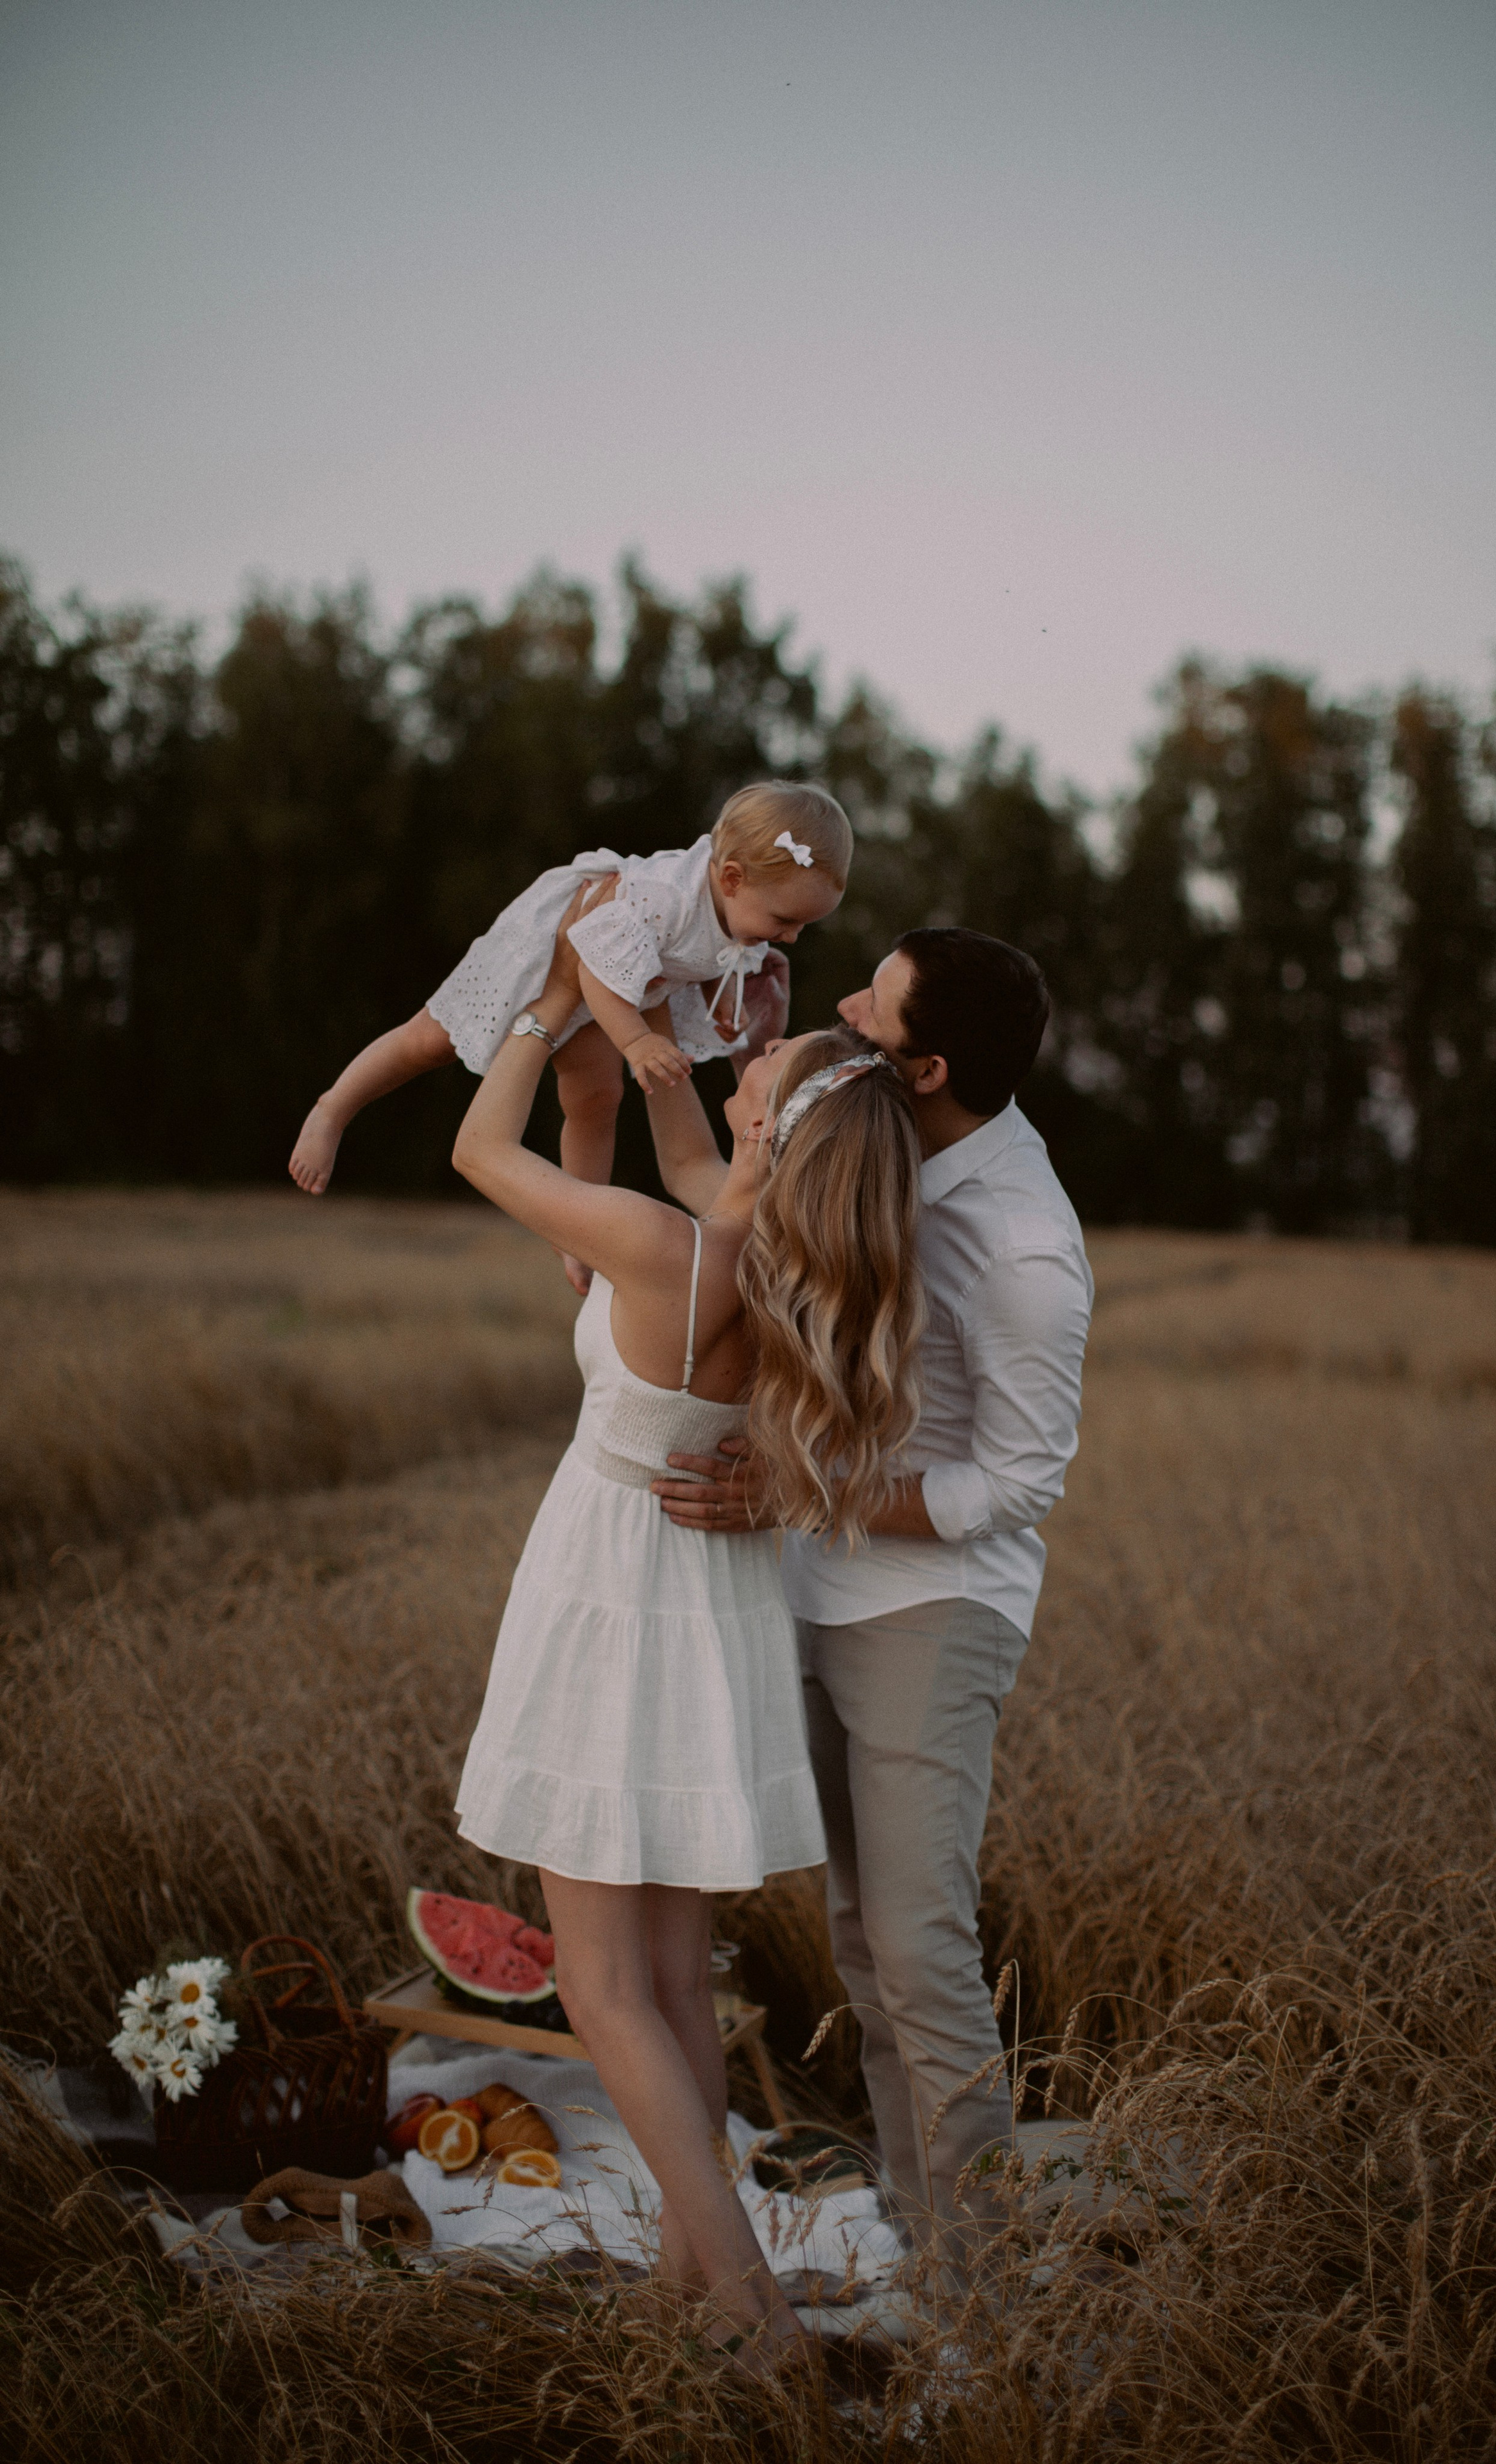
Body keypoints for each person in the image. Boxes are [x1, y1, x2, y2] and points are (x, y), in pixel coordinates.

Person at [450, 896, 923, 2372]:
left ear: (777, 1140)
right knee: (666, 1974)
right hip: (704, 1605)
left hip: (610, 1592)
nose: (753, 1061)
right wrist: (664, 1077)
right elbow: (700, 1165)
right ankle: (683, 2274)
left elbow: (478, 1151)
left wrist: (536, 1011)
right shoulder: (771, 1260)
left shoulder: (668, 1250)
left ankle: (750, 2307)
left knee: (598, 1982)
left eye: (768, 1081)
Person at [652, 926, 1095, 2276]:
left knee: (918, 1947)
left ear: (928, 1069)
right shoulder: (867, 1133)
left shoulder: (1021, 1247)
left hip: (933, 1604)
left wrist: (799, 1495)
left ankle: (983, 2320)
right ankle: (927, 2248)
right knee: (860, 1944)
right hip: (814, 1576)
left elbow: (1019, 1479)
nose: (840, 1006)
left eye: (871, 1004)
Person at [287, 780, 849, 1199]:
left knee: (596, 1100)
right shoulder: (661, 899)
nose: (793, 938)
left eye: (804, 925)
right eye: (786, 920)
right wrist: (634, 1044)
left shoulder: (747, 907)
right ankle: (333, 1108)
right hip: (558, 958)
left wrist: (725, 1010)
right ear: (731, 878)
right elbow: (587, 963)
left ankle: (580, 1224)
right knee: (429, 1039)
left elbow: (723, 961)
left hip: (621, 991)